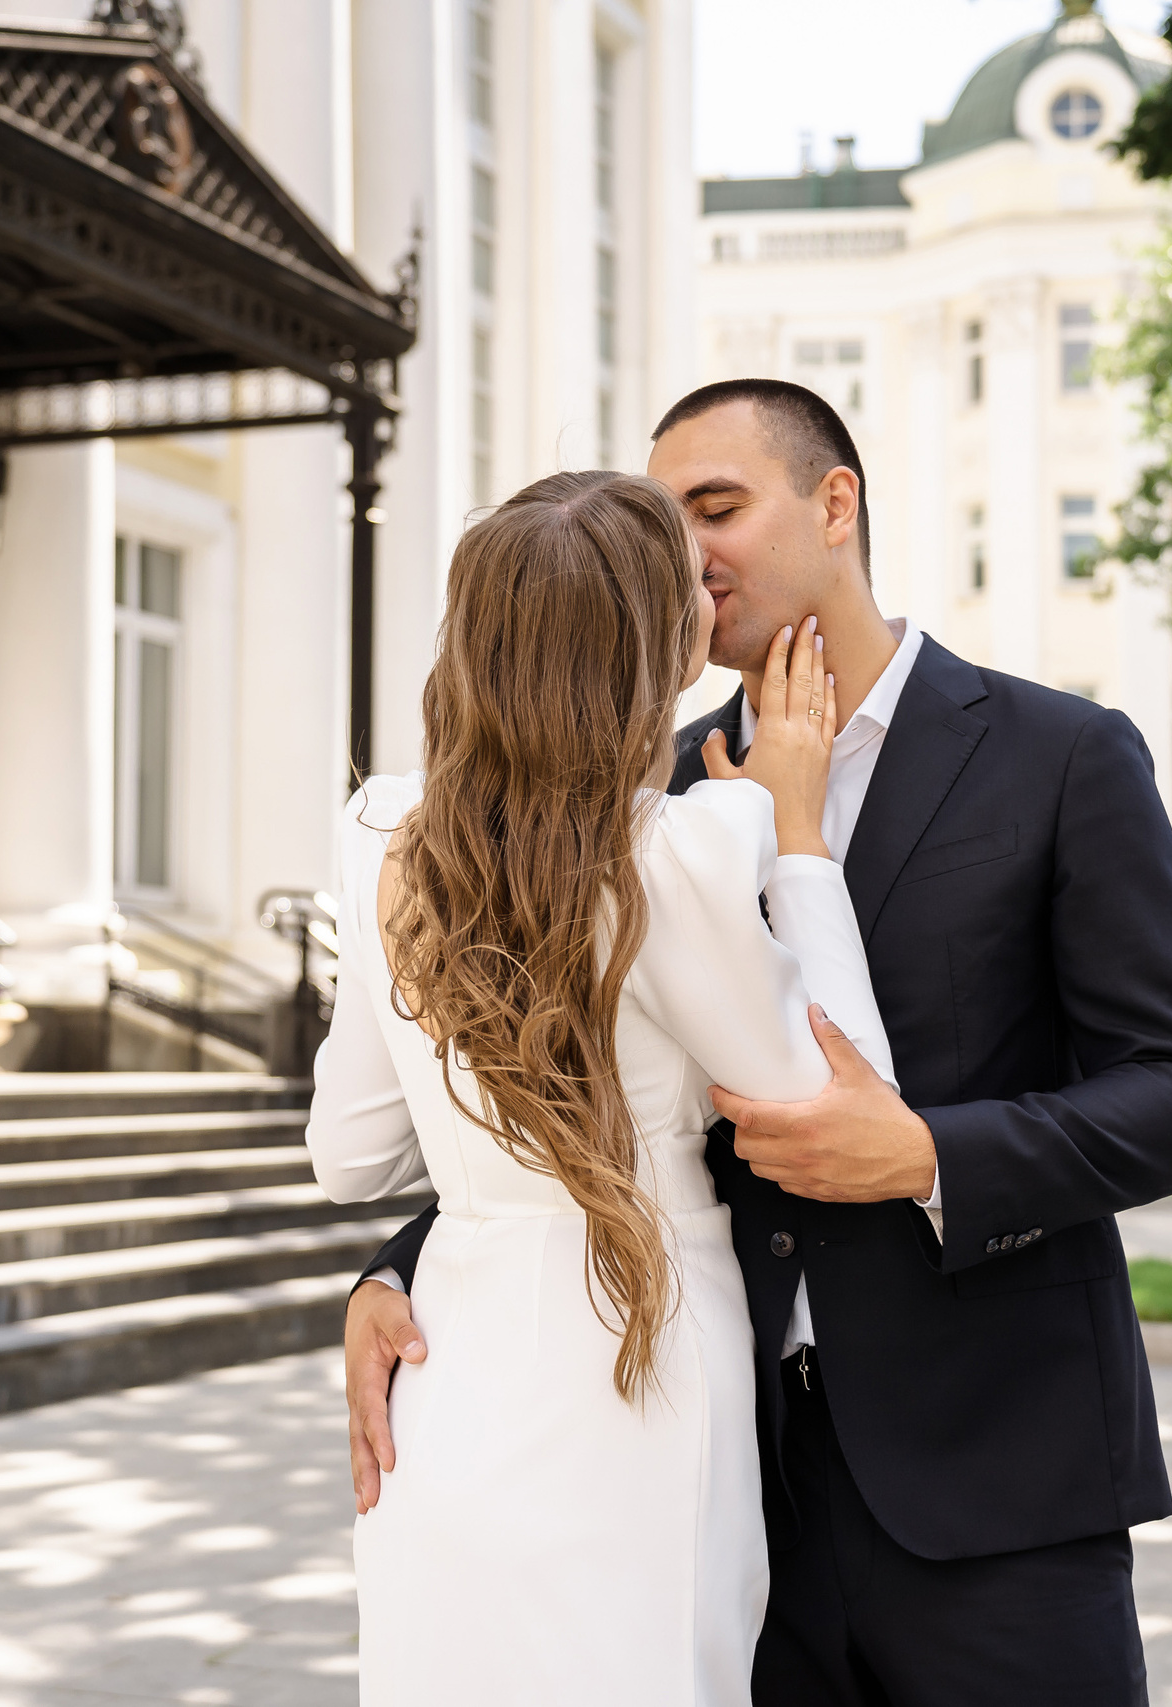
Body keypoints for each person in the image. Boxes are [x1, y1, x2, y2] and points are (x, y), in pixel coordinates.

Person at [344, 380, 1172, 1706]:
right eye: (665, 522)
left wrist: (928, 1151)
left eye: (719, 507)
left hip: (995, 1474)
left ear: (837, 505)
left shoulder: (1062, 755)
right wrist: (401, 1261)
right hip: (720, 1470)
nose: (688, 555)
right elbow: (560, 1074)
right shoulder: (637, 783)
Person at [304, 467, 897, 1705]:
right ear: (659, 646)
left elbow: (350, 1158)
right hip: (646, 1348)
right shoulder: (686, 849)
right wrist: (794, 835)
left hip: (449, 1361)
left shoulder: (379, 837)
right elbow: (846, 1095)